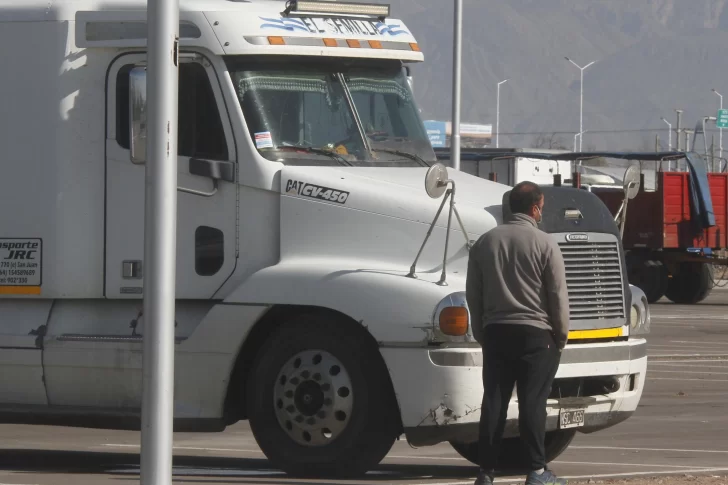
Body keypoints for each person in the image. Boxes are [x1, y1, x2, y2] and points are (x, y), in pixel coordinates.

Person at [466, 181, 570, 485]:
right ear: (534, 208)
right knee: (533, 403)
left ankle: (485, 472)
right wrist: (560, 337)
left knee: (494, 401)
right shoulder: (545, 243)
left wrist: (483, 333)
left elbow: (474, 295)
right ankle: (537, 471)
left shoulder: (485, 243)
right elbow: (558, 295)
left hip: (497, 332)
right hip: (537, 335)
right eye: (541, 207)